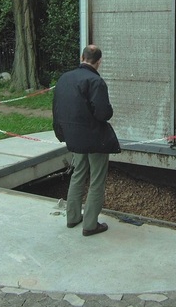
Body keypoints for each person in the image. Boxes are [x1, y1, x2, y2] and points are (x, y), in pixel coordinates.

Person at [52, 44, 121, 236]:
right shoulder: (95, 82)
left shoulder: (64, 78)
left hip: (74, 138)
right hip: (94, 139)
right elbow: (103, 114)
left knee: (78, 174)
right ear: (99, 62)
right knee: (97, 179)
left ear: (82, 57)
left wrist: (62, 133)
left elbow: (57, 109)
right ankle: (90, 225)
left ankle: (72, 217)